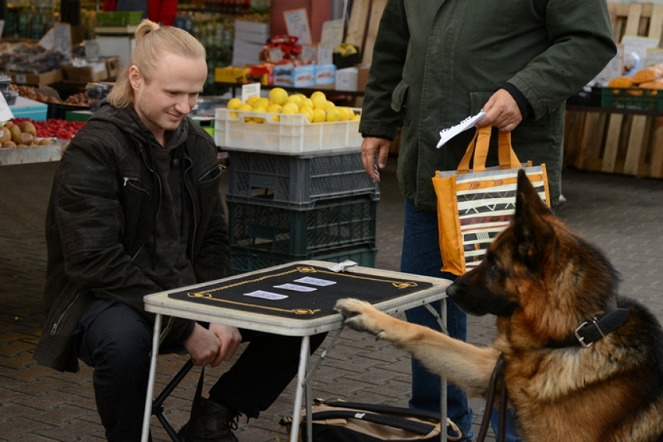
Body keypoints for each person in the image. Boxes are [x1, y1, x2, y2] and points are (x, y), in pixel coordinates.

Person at [33, 20, 326, 442]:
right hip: (106, 297)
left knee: (306, 315)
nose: (186, 106)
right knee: (125, 344)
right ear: (136, 79)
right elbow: (93, 261)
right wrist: (185, 329)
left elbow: (212, 239)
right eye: (173, 93)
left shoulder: (197, 144)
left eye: (194, 93)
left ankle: (215, 416)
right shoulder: (94, 149)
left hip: (183, 290)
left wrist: (224, 311)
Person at [358, 1, 617, 440]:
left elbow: (590, 41)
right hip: (431, 171)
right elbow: (393, 45)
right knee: (427, 303)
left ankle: (522, 432)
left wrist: (523, 92)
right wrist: (379, 119)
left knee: (535, 319)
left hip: (507, 179)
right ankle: (438, 426)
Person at [103, 0, 177, 26]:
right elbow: (108, 5)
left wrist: (161, 26)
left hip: (149, 33)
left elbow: (169, 6)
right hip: (117, 31)